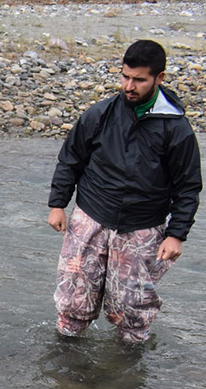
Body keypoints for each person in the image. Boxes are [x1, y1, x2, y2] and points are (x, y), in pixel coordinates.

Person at [47, 39, 202, 344]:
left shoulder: (176, 128)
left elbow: (188, 186)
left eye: (139, 80)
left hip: (142, 226)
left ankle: (126, 375)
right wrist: (57, 204)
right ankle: (65, 357)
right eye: (125, 76)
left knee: (132, 309)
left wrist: (176, 234)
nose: (129, 86)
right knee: (74, 298)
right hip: (91, 216)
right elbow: (70, 159)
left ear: (160, 78)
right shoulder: (100, 114)